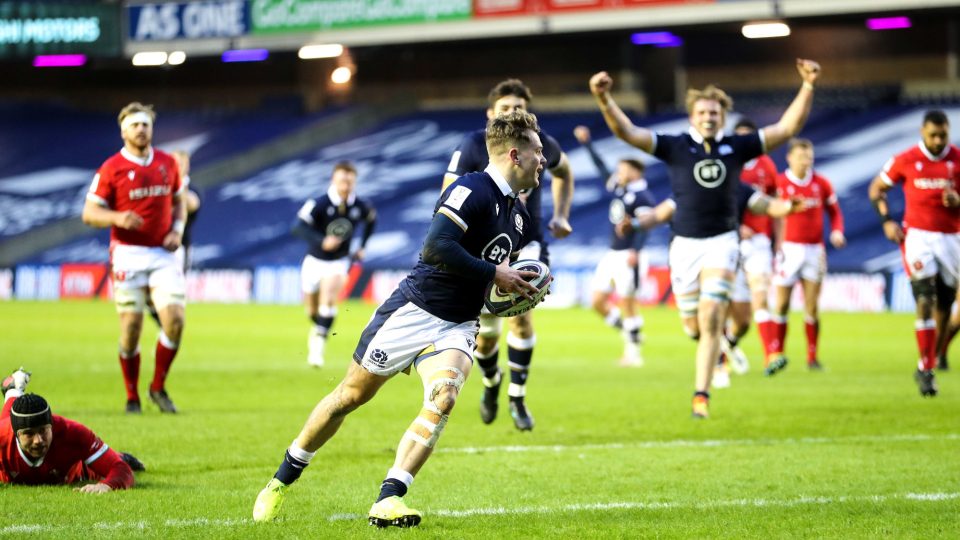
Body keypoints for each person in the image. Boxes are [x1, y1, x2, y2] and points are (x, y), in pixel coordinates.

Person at [253, 110, 548, 528]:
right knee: (349, 397)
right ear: (515, 154)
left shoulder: (518, 217)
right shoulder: (471, 189)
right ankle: (281, 481)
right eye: (538, 152)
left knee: (443, 397)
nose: (544, 160)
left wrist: (508, 294)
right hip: (413, 311)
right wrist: (495, 274)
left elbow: (485, 279)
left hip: (458, 323)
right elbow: (436, 248)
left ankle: (389, 498)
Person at [589, 58, 821, 418]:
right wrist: (604, 100)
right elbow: (629, 133)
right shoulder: (676, 146)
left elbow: (786, 128)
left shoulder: (737, 146)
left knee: (713, 315)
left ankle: (702, 394)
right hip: (683, 247)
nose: (709, 117)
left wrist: (807, 85)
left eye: (715, 112)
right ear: (693, 116)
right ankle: (716, 353)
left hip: (723, 242)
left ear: (723, 116)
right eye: (702, 112)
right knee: (693, 325)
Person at [443, 79, 574, 430]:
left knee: (522, 317)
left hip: (527, 242)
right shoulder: (473, 144)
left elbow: (565, 171)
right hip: (485, 248)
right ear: (490, 115)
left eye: (519, 108)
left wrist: (561, 215)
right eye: (505, 109)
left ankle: (517, 397)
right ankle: (491, 383)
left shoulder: (542, 143)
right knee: (484, 334)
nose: (513, 114)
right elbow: (448, 192)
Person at [630, 183, 802, 389]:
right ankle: (718, 363)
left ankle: (727, 346)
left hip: (727, 253)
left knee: (743, 321)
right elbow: (661, 213)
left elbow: (768, 205)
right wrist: (635, 224)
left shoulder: (738, 187)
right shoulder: (689, 183)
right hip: (690, 257)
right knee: (699, 324)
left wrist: (787, 207)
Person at [81, 102, 187, 415]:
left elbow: (179, 202)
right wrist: (117, 217)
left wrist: (177, 230)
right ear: (123, 131)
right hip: (127, 254)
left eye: (145, 124)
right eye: (135, 125)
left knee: (176, 321)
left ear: (151, 129)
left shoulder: (167, 163)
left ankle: (157, 387)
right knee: (131, 329)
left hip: (163, 254)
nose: (141, 129)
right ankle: (132, 396)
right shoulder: (111, 167)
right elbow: (89, 213)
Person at [868, 110, 960, 396]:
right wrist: (886, 222)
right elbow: (876, 189)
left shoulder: (957, 159)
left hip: (952, 239)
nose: (937, 141)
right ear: (922, 132)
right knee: (924, 299)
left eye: (942, 135)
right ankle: (926, 368)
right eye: (932, 135)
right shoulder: (906, 159)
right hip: (918, 238)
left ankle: (935, 354)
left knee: (945, 303)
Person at [573, 125, 654, 366]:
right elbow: (601, 169)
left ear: (636, 171)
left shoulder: (643, 197)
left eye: (623, 169)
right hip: (613, 253)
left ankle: (634, 353)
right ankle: (630, 333)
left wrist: (635, 251)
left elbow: (646, 225)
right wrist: (587, 144)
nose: (618, 172)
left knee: (628, 303)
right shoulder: (621, 188)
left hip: (630, 254)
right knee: (597, 300)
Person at [768, 138, 845, 374]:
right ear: (790, 158)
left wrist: (837, 231)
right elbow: (767, 211)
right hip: (788, 250)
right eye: (802, 157)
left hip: (814, 250)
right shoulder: (779, 183)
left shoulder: (821, 183)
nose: (806, 162)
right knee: (781, 304)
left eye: (809, 157)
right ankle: (777, 353)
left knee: (811, 306)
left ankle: (812, 357)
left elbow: (835, 212)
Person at [1, 368, 145, 491]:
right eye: (29, 434)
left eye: (43, 431)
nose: (38, 440)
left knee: (108, 463)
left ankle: (13, 391)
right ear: (16, 434)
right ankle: (13, 391)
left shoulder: (72, 433)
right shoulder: (3, 436)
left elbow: (122, 470)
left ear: (52, 425)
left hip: (80, 471)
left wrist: (106, 485)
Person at [293, 161, 377, 367]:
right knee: (312, 311)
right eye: (342, 180)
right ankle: (319, 329)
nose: (346, 185)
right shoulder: (320, 203)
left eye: (350, 181)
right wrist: (322, 241)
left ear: (354, 182)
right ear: (334, 180)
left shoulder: (359, 205)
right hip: (314, 260)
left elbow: (371, 220)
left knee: (328, 300)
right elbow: (297, 227)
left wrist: (362, 245)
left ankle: (317, 350)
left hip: (339, 261)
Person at [724, 118, 783, 373]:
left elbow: (775, 205)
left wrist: (778, 243)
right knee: (733, 313)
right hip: (727, 241)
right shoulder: (726, 164)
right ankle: (723, 352)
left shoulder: (766, 165)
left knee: (760, 295)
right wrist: (736, 227)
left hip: (759, 241)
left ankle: (770, 355)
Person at [147, 150, 201, 328]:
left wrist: (171, 188)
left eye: (182, 163)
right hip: (153, 248)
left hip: (178, 251)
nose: (178, 167)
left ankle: (168, 332)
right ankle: (165, 328)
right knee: (148, 296)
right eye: (175, 163)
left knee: (171, 298)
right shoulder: (158, 187)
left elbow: (193, 204)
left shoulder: (189, 190)